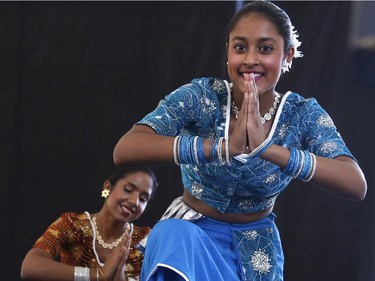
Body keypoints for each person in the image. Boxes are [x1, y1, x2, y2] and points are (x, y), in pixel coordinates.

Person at [112, 1, 367, 280]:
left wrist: (269, 150)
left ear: (289, 55)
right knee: (173, 234)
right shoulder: (201, 96)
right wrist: (221, 148)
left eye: (266, 48)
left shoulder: (302, 115)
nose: (250, 60)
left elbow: (355, 183)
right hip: (190, 234)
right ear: (227, 52)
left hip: (255, 248)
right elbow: (125, 149)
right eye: (240, 47)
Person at [21, 166, 158, 281]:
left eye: (143, 199)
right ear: (108, 187)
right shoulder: (72, 224)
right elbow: (29, 267)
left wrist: (119, 273)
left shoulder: (145, 240)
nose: (134, 201)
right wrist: (98, 275)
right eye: (128, 189)